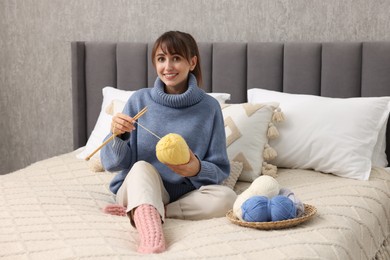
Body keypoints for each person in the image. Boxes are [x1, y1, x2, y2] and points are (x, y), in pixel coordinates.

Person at [100, 31, 237, 254]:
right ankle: (151, 234)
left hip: (182, 194)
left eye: (176, 58)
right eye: (161, 59)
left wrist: (196, 168)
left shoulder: (209, 108)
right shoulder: (139, 100)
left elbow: (220, 170)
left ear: (192, 62)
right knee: (142, 167)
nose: (168, 66)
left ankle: (148, 209)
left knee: (228, 198)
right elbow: (112, 164)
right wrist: (118, 136)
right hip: (136, 185)